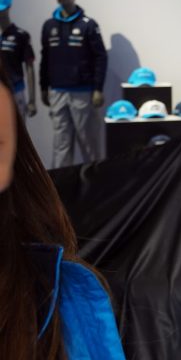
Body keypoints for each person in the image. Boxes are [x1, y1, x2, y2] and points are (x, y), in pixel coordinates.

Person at [0, 65, 126, 359]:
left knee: (82, 143)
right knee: (63, 143)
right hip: (62, 91)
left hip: (79, 90)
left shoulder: (67, 296)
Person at [40, 0, 107, 168]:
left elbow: (100, 58)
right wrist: (44, 87)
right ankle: (62, 190)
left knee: (89, 143)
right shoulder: (49, 25)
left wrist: (97, 88)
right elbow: (45, 59)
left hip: (83, 93)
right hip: (57, 92)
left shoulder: (88, 24)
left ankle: (96, 185)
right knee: (61, 144)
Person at [0, 0, 38, 118]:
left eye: (2, 9)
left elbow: (29, 68)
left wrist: (32, 100)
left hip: (16, 92)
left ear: (8, 7)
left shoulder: (20, 35)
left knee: (16, 135)